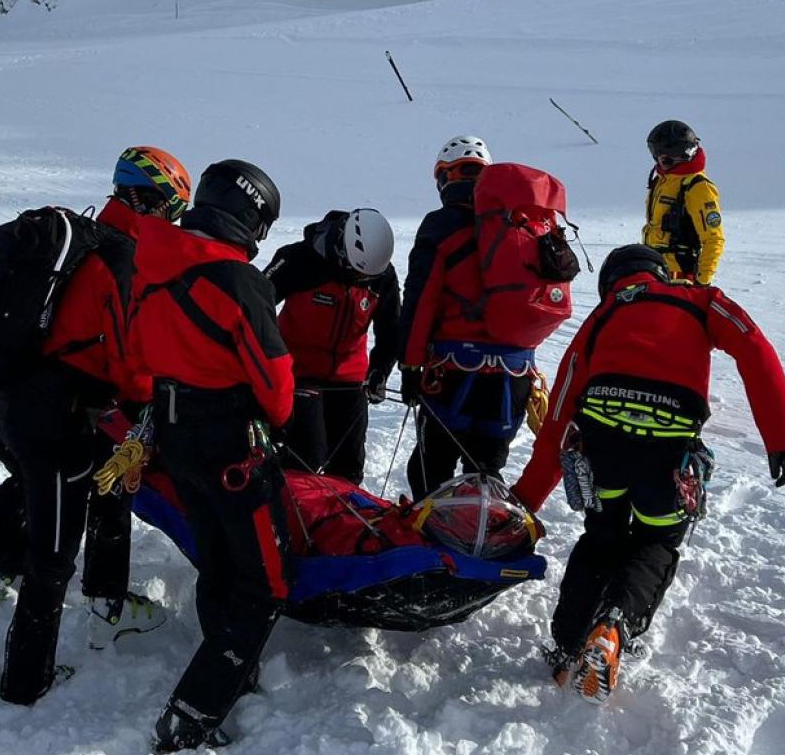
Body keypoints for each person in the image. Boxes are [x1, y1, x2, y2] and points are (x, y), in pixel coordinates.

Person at [0, 146, 192, 704]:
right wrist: (161, 397)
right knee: (52, 554)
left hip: (37, 403)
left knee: (109, 487)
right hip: (50, 417)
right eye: (171, 209)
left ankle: (108, 602)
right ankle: (25, 681)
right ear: (152, 202)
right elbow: (130, 365)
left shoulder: (91, 236)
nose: (171, 222)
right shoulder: (121, 258)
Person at [512, 244, 785, 702]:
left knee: (601, 536)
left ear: (612, 281)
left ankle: (566, 647)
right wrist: (783, 439)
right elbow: (754, 346)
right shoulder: (702, 300)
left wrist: (526, 501)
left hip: (603, 440)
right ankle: (614, 625)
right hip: (668, 448)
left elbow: (561, 410)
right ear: (660, 273)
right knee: (656, 540)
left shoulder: (605, 314)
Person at [129, 159, 294, 753]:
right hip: (229, 441)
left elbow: (138, 348)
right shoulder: (238, 280)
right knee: (267, 583)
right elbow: (276, 382)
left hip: (175, 433)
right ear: (251, 215)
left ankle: (234, 668)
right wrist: (273, 420)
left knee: (217, 562)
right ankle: (193, 712)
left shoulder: (149, 259)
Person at [396, 135, 538, 502]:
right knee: (486, 470)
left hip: (453, 370)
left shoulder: (441, 224)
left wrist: (410, 365)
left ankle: (431, 547)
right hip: (514, 372)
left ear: (445, 178)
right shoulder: (522, 221)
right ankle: (479, 542)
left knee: (432, 467)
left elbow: (421, 297)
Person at [264, 208, 401, 484]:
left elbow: (391, 329)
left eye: (366, 277)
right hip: (296, 374)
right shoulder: (298, 259)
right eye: (356, 272)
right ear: (342, 251)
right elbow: (257, 305)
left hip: (350, 379)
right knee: (306, 457)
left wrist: (380, 371)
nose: (361, 281)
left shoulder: (382, 275)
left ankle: (339, 523)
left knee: (349, 466)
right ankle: (288, 515)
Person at [642, 119, 724, 284]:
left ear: (684, 155)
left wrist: (703, 281)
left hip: (680, 277)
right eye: (656, 158)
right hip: (654, 271)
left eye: (666, 160)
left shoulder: (698, 188)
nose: (660, 164)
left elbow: (713, 239)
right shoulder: (662, 181)